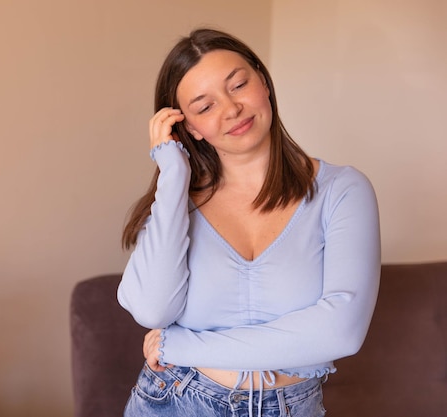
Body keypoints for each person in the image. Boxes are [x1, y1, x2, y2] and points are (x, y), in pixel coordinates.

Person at [117, 28, 381, 417]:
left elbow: (341, 331)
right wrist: (173, 173)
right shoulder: (176, 204)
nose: (231, 109)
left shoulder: (342, 190)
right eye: (204, 107)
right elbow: (153, 311)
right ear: (190, 128)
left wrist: (183, 346)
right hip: (173, 400)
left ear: (263, 80)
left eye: (238, 85)